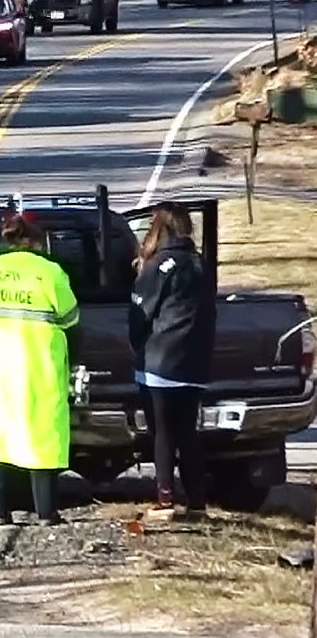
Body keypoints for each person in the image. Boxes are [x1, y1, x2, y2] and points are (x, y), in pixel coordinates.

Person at [0, 210, 78, 526]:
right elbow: (70, 316)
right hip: (35, 366)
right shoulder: (50, 272)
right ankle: (47, 512)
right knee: (42, 436)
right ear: (39, 240)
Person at [129, 203, 212, 521]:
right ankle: (197, 503)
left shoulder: (158, 266)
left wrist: (138, 347)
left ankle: (165, 500)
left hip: (160, 362)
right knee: (187, 432)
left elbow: (140, 314)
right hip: (194, 363)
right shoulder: (199, 264)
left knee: (162, 432)